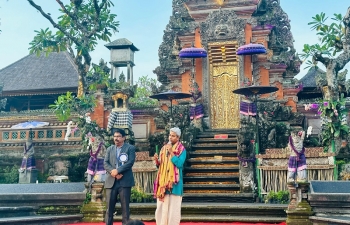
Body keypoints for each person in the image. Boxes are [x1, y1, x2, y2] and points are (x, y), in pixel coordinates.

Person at [153, 127, 187, 225]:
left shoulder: (182, 150)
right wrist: (156, 161)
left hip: (175, 184)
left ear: (178, 137)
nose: (170, 137)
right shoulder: (164, 148)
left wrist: (172, 152)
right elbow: (160, 164)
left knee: (173, 210)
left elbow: (180, 164)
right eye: (169, 135)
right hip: (163, 183)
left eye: (173, 136)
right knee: (161, 208)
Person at [104, 128, 136, 225]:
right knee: (109, 209)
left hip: (125, 181)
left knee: (125, 209)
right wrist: (113, 172)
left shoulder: (130, 148)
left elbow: (130, 162)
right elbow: (105, 163)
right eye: (114, 136)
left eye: (118, 136)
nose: (116, 138)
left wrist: (118, 170)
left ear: (124, 138)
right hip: (111, 182)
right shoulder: (109, 149)